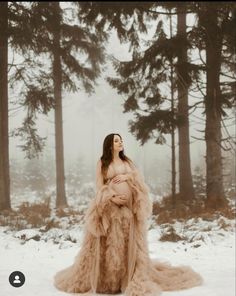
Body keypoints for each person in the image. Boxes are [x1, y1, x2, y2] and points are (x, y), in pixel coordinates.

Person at [54, 133, 203, 295]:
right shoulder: (103, 163)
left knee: (127, 241)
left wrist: (127, 176)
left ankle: (127, 276)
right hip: (110, 208)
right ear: (110, 145)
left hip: (129, 208)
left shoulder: (127, 162)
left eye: (121, 140)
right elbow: (99, 185)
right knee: (112, 243)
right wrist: (112, 197)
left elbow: (137, 177)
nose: (120, 143)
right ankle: (110, 279)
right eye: (116, 141)